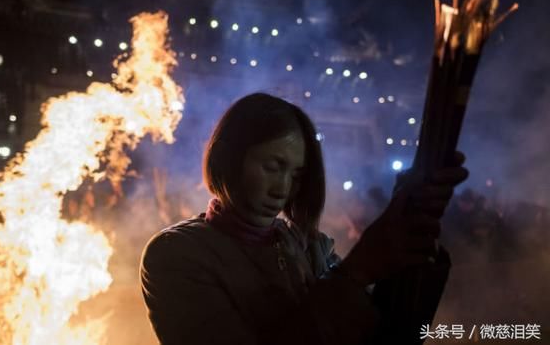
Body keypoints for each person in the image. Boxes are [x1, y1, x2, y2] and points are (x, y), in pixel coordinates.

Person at [139, 93, 468, 345]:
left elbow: (381, 334)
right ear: (228, 158)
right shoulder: (176, 254)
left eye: (296, 174)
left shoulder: (312, 245)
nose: (283, 188)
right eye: (272, 167)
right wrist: (355, 271)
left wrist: (415, 226)